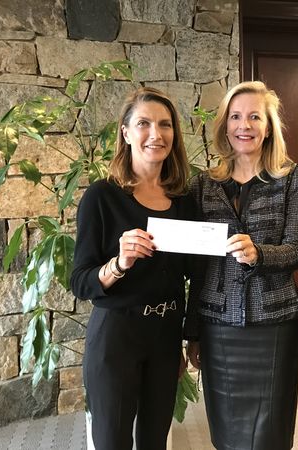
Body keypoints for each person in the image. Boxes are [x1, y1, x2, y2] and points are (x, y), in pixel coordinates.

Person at [70, 87, 199, 450]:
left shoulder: (185, 201)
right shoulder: (102, 196)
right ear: (125, 132)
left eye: (165, 125)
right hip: (117, 337)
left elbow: (195, 275)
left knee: (154, 442)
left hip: (165, 335)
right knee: (112, 442)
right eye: (143, 123)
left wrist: (192, 335)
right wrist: (119, 263)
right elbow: (80, 281)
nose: (156, 134)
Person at [186, 81, 298, 450]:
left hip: (273, 324)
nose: (245, 125)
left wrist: (259, 254)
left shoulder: (293, 179)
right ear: (225, 126)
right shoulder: (203, 184)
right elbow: (198, 267)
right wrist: (192, 332)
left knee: (270, 434)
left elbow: (295, 250)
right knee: (226, 432)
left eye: (255, 116)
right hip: (218, 325)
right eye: (236, 117)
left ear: (268, 126)